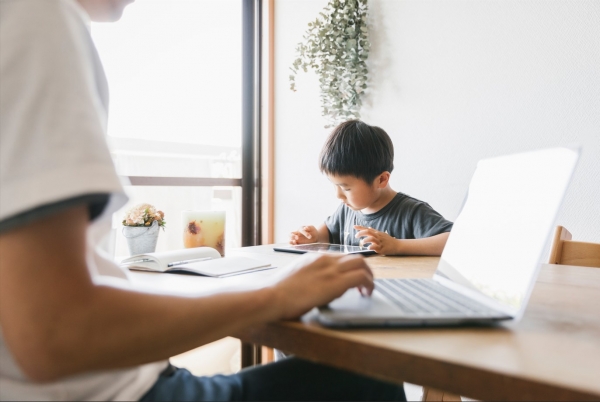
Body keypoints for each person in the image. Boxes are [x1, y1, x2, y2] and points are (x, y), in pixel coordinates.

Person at [0, 0, 406, 400]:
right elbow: (54, 331)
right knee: (372, 378)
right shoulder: (37, 16)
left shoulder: (409, 211)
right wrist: (275, 296)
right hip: (114, 390)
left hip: (121, 376)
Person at [290, 120, 453, 255]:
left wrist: (398, 246)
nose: (338, 195)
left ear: (381, 179)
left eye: (346, 188)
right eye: (334, 185)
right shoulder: (347, 209)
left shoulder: (412, 212)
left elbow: (455, 241)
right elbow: (328, 233)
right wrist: (314, 237)